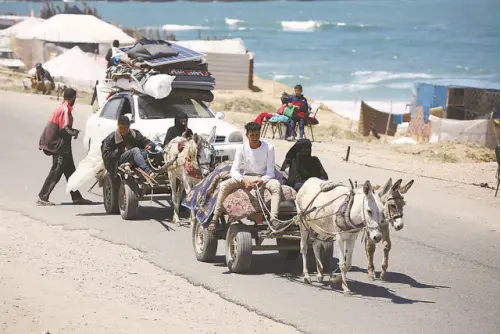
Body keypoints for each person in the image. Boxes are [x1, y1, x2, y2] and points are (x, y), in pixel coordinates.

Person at [209, 122, 283, 231]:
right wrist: (243, 181)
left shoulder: (269, 148)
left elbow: (271, 172)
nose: (255, 138)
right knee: (224, 185)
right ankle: (215, 218)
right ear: (247, 135)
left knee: (276, 185)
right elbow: (234, 170)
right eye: (252, 135)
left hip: (263, 178)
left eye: (257, 135)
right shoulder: (241, 148)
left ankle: (274, 219)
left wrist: (262, 180)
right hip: (246, 177)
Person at [37, 88, 92, 206]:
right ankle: (43, 197)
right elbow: (65, 128)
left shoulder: (61, 107)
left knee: (70, 171)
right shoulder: (65, 109)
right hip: (59, 145)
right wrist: (74, 132)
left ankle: (76, 197)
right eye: (75, 98)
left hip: (63, 145)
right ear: (73, 98)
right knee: (56, 170)